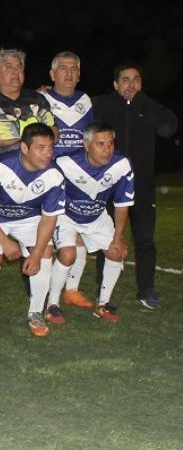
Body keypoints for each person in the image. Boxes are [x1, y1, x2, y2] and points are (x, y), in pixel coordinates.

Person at [94, 63, 178, 310]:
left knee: (145, 240)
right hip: (110, 187)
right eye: (125, 79)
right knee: (107, 239)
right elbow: (74, 107)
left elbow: (169, 126)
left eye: (136, 79)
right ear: (115, 84)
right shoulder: (103, 105)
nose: (131, 84)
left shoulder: (148, 107)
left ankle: (147, 290)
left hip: (142, 187)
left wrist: (140, 101)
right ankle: (104, 292)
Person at [0, 123, 65, 337]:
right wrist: (5, 242)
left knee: (44, 252)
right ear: (24, 147)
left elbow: (49, 218)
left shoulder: (54, 175)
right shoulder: (1, 167)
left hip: (28, 217)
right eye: (40, 148)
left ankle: (36, 312)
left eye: (50, 147)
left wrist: (37, 253)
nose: (47, 153)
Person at [46, 122, 134, 324]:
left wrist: (118, 237)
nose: (107, 149)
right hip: (66, 216)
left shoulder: (121, 164)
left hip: (97, 217)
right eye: (100, 144)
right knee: (67, 255)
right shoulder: (65, 163)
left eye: (110, 143)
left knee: (117, 252)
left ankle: (103, 304)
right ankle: (52, 305)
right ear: (86, 145)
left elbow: (122, 204)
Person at [39, 51, 96, 309]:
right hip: (49, 179)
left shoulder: (85, 101)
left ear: (79, 74)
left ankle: (72, 290)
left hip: (78, 180)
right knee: (47, 240)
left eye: (74, 68)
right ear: (52, 74)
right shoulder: (41, 99)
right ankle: (44, 294)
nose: (69, 73)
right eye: (63, 68)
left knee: (78, 234)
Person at [0, 49, 57, 171]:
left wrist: (14, 130)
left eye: (19, 67)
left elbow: (55, 135)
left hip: (35, 171)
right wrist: (32, 126)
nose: (16, 71)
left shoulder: (37, 98)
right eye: (9, 67)